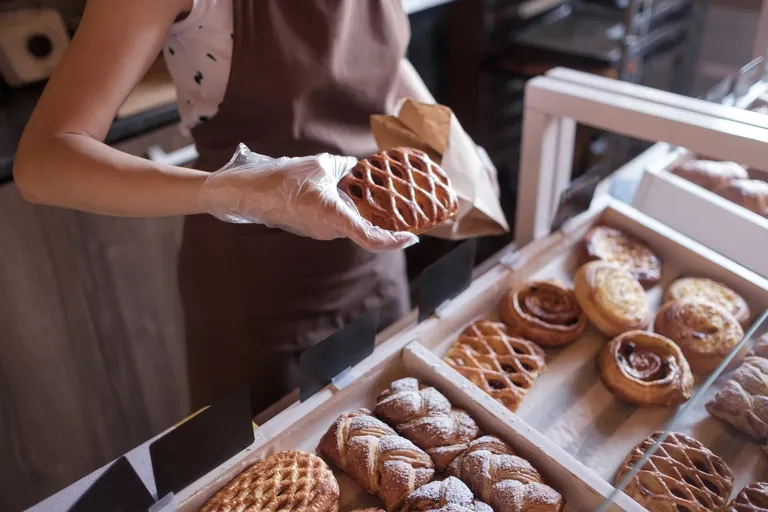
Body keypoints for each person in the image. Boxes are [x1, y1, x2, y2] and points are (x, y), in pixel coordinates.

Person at [14, 0, 489, 414]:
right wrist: (247, 190)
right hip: (261, 294)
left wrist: (449, 140)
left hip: (374, 258)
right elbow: (44, 160)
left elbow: (375, 59)